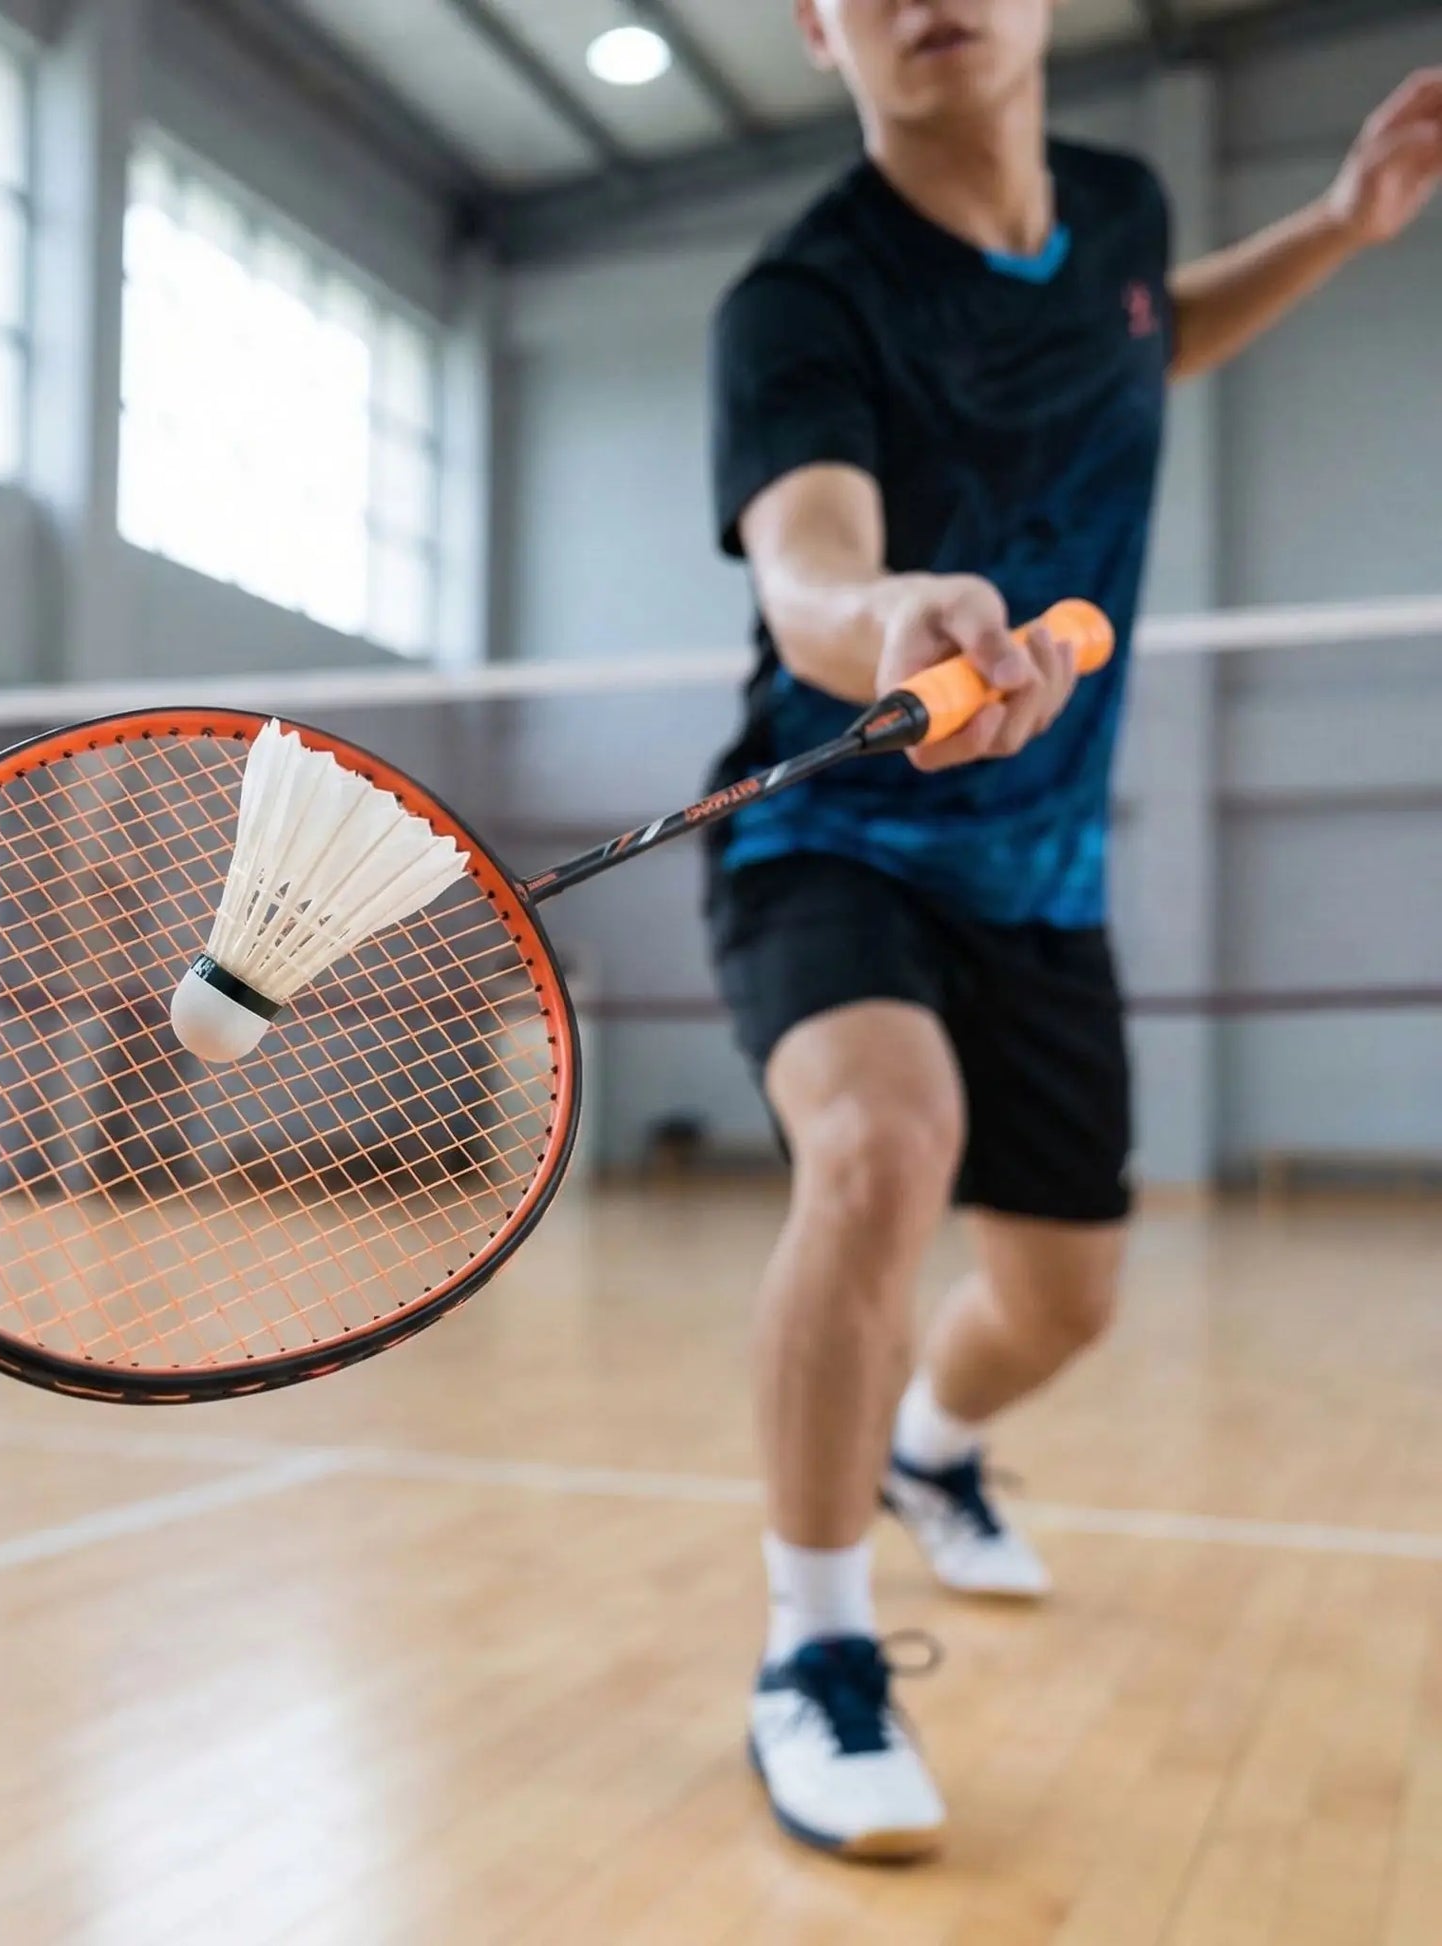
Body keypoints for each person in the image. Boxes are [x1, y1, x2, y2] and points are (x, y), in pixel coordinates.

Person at [707, 0, 1442, 1861]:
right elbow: (802, 561)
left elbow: (1146, 333)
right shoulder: (801, 298)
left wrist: (1336, 229)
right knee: (881, 1146)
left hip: (1040, 873)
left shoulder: (1116, 211)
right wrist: (882, 616)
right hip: (831, 829)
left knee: (1063, 1302)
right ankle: (813, 1651)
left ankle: (929, 1448)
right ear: (816, 31)